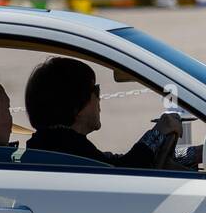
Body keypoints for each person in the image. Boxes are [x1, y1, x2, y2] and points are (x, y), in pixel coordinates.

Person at [24, 57, 185, 169]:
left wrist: (193, 153)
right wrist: (157, 132)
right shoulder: (64, 147)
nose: (99, 100)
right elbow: (124, 172)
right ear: (76, 106)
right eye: (96, 91)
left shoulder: (54, 144)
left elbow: (113, 160)